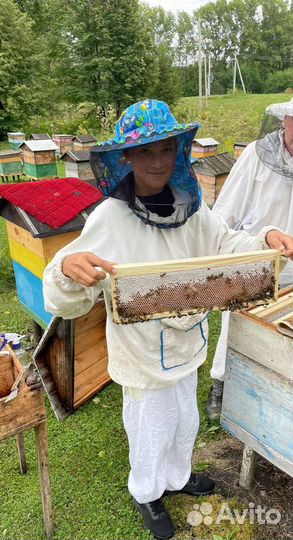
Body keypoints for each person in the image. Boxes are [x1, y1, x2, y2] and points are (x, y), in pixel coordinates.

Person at [43, 99, 293, 540]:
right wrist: (67, 269)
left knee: (185, 419)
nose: (158, 162)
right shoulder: (110, 216)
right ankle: (146, 492)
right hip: (140, 352)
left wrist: (263, 238)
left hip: (187, 337)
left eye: (166, 150)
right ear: (126, 157)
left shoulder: (191, 206)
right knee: (149, 426)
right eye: (146, 152)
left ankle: (176, 478)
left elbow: (226, 242)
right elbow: (61, 285)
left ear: (179, 152)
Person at [207, 97, 293, 421]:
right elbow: (224, 214)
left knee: (280, 338)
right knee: (237, 327)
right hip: (253, 259)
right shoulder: (257, 156)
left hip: (292, 273)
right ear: (285, 120)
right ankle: (221, 382)